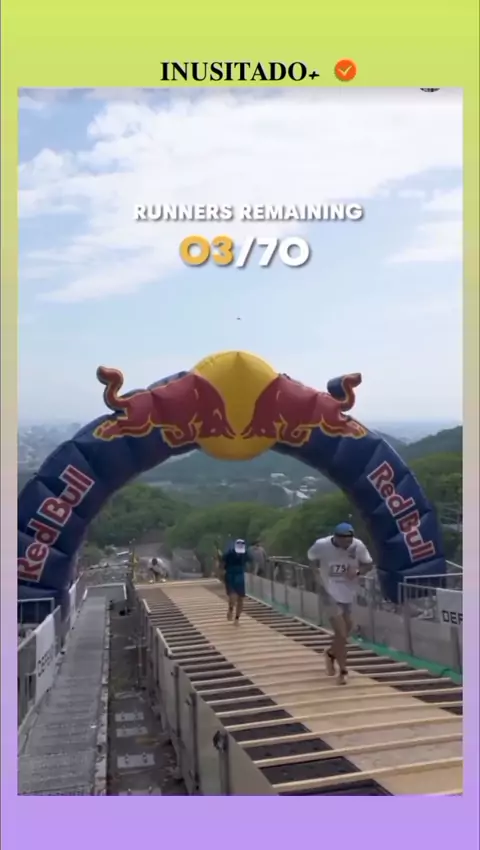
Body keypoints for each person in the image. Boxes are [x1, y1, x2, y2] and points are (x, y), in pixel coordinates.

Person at [307, 522, 373, 685]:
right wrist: (316, 577)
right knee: (341, 633)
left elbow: (368, 564)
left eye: (349, 542)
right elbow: (311, 559)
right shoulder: (322, 545)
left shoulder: (358, 546)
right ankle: (343, 671)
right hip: (328, 591)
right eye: (344, 542)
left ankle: (330, 654)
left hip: (348, 592)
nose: (347, 546)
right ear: (336, 537)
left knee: (346, 630)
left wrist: (357, 572)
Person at [219, 538, 252, 625]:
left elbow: (250, 563)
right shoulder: (229, 554)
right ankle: (230, 609)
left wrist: (252, 572)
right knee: (233, 597)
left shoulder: (245, 554)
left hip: (240, 576)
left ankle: (237, 618)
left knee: (241, 598)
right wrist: (221, 573)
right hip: (230, 575)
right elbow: (222, 564)